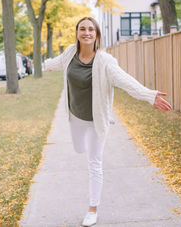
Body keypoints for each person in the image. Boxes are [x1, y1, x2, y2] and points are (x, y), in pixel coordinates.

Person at [44, 17, 171, 226]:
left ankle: (92, 210)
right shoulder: (70, 53)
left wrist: (149, 95)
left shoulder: (105, 62)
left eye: (91, 30)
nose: (86, 33)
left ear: (97, 35)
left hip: (96, 120)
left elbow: (126, 81)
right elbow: (57, 63)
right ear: (77, 33)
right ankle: (86, 146)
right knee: (78, 148)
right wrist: (44, 65)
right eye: (82, 29)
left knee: (94, 163)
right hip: (75, 115)